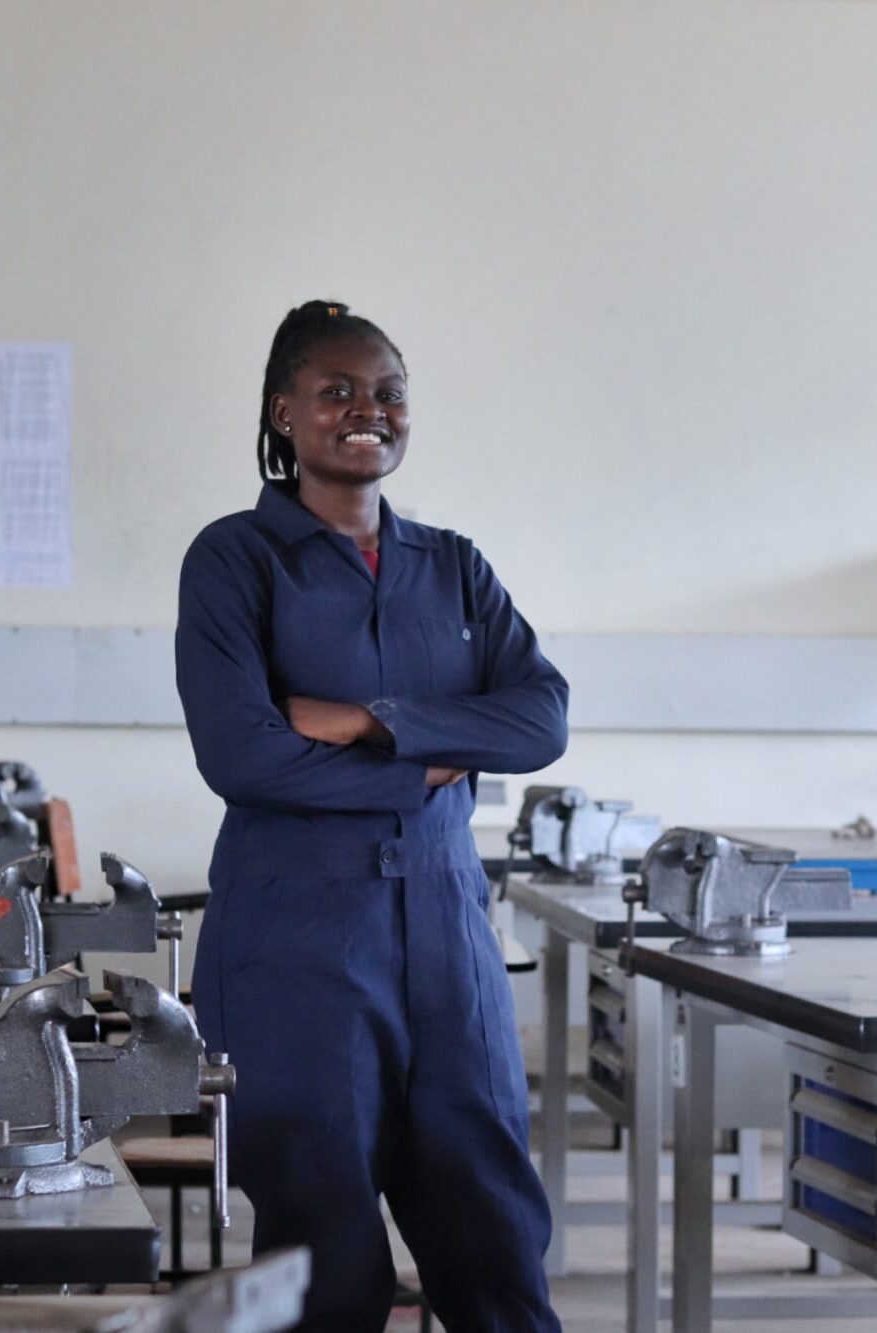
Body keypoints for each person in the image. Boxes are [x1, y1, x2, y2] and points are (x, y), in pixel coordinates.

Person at [177, 300, 567, 1331]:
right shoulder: (235, 561)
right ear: (283, 412)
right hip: (297, 941)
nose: (368, 411)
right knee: (325, 1253)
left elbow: (538, 717)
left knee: (493, 1237)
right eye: (336, 391)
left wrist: (368, 723)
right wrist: (435, 760)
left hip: (445, 930)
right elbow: (242, 755)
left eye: (388, 392)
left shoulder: (454, 565)